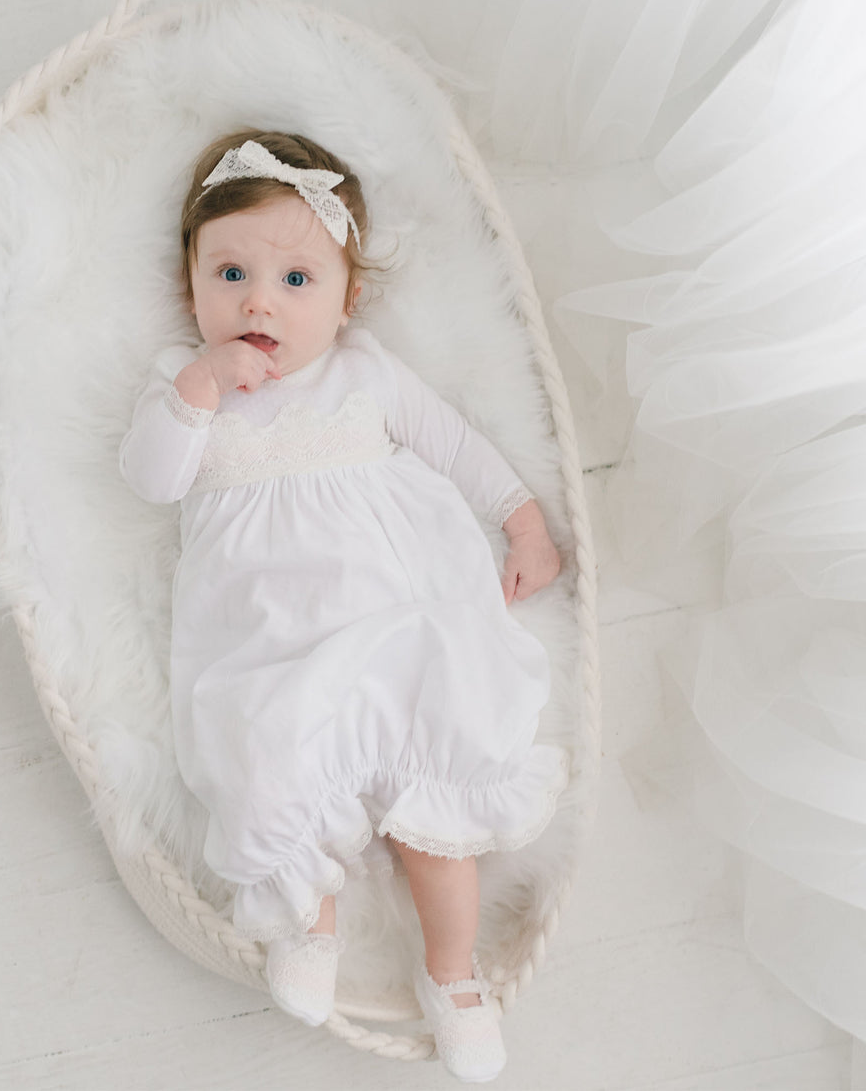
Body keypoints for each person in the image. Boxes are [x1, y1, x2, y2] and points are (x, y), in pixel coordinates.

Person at [120, 129, 569, 1082]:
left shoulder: (364, 374)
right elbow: (151, 480)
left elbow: (455, 446)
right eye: (230, 272)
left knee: (430, 806)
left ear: (347, 298)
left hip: (393, 622)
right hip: (271, 644)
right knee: (273, 764)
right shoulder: (182, 387)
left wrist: (522, 521)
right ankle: (307, 926)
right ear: (189, 285)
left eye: (295, 281)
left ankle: (454, 975)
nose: (256, 302)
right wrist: (200, 391)